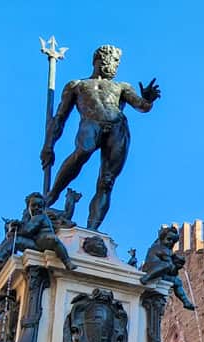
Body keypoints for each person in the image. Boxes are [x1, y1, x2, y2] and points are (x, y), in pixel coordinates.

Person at [41, 44, 161, 231]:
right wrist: (49, 145)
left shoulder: (122, 87)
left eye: (117, 62)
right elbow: (59, 118)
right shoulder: (77, 85)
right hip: (91, 123)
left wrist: (148, 100)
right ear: (99, 59)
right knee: (82, 153)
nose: (115, 65)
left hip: (118, 128)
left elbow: (142, 106)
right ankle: (50, 196)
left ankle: (92, 230)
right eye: (113, 60)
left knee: (107, 180)